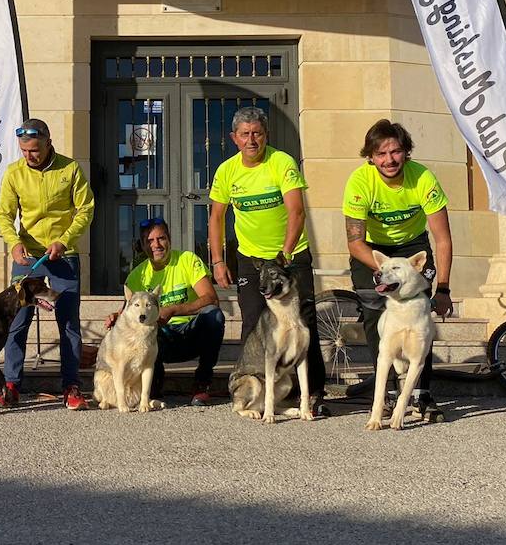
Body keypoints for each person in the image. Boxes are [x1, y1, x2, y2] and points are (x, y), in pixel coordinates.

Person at [207, 105, 326, 407]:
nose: (251, 140)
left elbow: (296, 211)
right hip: (251, 259)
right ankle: (256, 393)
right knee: (252, 324)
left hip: (290, 255)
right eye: (245, 134)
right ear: (234, 138)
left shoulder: (281, 162)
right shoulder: (227, 171)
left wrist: (285, 254)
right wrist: (218, 261)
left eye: (257, 133)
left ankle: (311, 393)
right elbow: (217, 218)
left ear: (266, 135)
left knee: (304, 323)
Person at [343, 118, 454, 415]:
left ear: (406, 152)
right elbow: (355, 243)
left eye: (395, 152)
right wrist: (383, 272)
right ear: (370, 157)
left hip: (411, 247)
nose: (389, 160)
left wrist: (442, 288)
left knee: (421, 314)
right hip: (373, 251)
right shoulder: (359, 182)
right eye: (381, 154)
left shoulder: (423, 178)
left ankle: (421, 392)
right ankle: (389, 389)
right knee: (372, 310)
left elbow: (442, 240)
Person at [0, 118, 95, 410]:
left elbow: (85, 208)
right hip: (28, 258)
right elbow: (4, 214)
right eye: (24, 151)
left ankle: (71, 386)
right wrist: (13, 243)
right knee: (17, 322)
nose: (29, 156)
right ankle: (11, 385)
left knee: (68, 323)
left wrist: (64, 240)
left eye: (35, 151)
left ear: (49, 143)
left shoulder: (70, 168)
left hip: (64, 254)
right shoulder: (14, 173)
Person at [108, 218, 225, 406]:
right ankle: (153, 383)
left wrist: (173, 309)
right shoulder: (136, 276)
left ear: (169, 239)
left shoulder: (187, 260)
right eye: (149, 241)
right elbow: (128, 315)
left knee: (214, 315)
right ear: (142, 245)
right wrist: (116, 317)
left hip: (190, 332)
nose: (156, 245)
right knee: (138, 331)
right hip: (159, 338)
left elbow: (211, 298)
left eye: (161, 238)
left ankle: (202, 383)